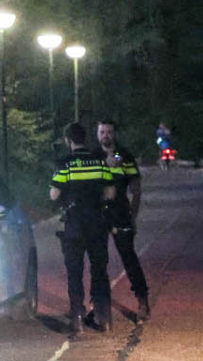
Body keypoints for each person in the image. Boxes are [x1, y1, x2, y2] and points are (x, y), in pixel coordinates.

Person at [49, 121, 116, 335]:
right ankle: (104, 318)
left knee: (75, 272)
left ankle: (77, 318)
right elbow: (110, 192)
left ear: (69, 141)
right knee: (99, 270)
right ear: (85, 139)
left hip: (74, 225)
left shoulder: (65, 164)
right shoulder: (99, 162)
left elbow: (54, 194)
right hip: (97, 224)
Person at [96, 117, 151, 319]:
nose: (105, 136)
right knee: (98, 261)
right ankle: (99, 304)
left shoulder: (124, 156)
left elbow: (136, 189)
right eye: (102, 132)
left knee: (129, 257)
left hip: (120, 213)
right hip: (100, 215)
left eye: (109, 132)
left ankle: (143, 300)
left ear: (115, 134)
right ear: (97, 134)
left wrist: (133, 216)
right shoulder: (93, 157)